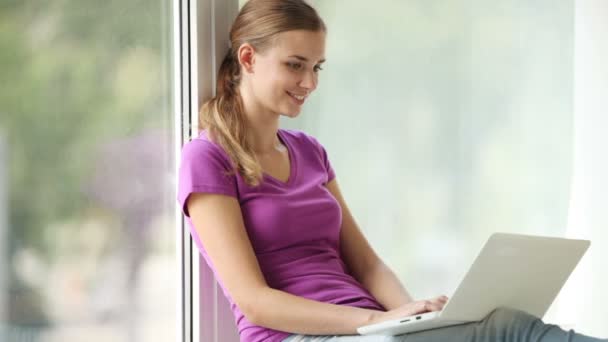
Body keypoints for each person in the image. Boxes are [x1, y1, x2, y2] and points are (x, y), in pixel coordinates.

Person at [177, 0, 607, 341]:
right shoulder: (208, 158)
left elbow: (367, 265)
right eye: (295, 64)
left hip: (373, 328)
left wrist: (415, 314)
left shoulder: (310, 152)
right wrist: (375, 321)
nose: (310, 82)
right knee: (507, 331)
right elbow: (255, 302)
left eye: (317, 67)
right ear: (249, 59)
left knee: (510, 320)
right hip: (298, 336)